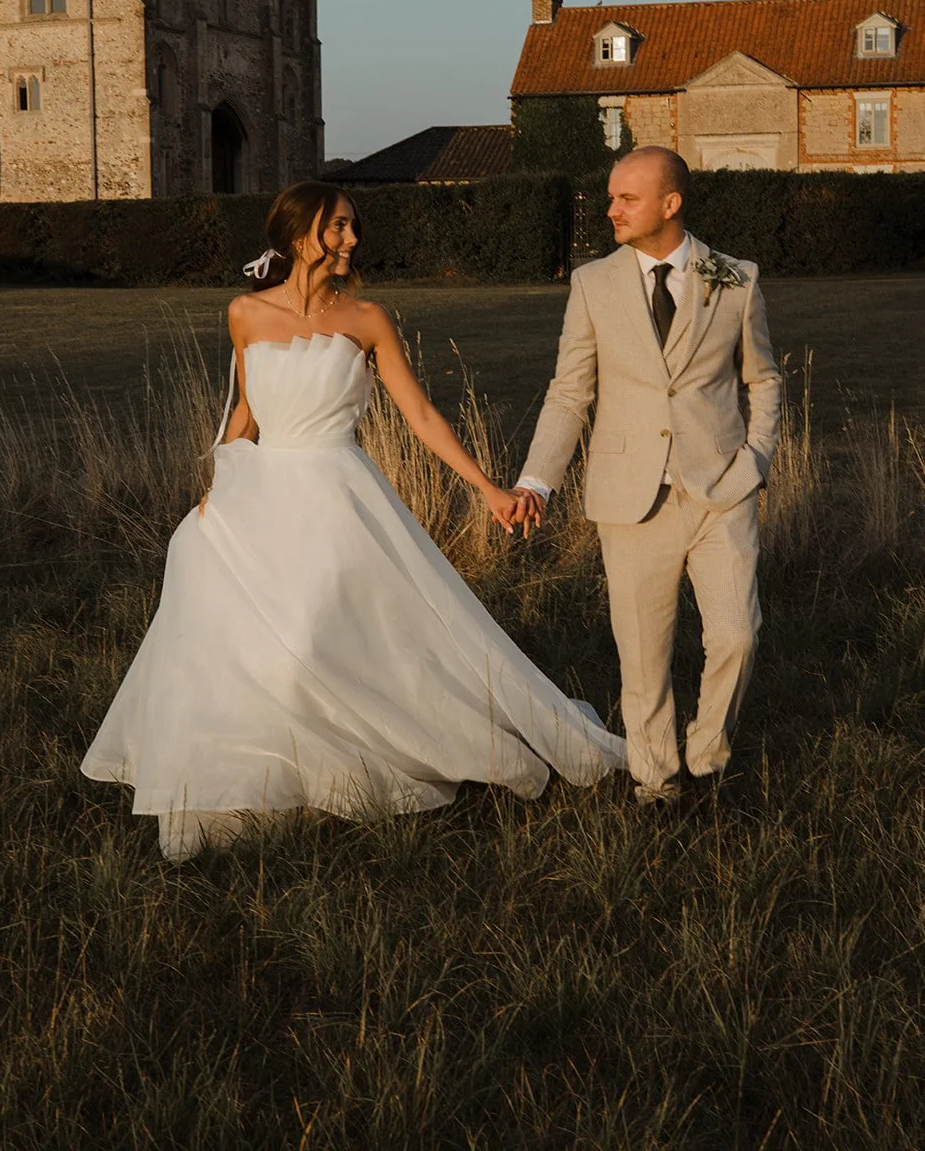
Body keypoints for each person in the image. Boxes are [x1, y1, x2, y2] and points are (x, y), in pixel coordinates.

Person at [81, 181, 626, 860]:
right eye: (338, 227)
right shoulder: (244, 314)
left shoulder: (367, 319)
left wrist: (485, 487)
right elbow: (244, 417)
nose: (351, 240)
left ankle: (384, 744)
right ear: (296, 234)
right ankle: (258, 765)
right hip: (260, 493)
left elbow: (419, 415)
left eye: (352, 228)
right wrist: (212, 490)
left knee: (315, 634)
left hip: (339, 493)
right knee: (207, 581)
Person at [513, 147, 780, 811]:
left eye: (625, 199)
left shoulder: (731, 276)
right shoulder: (593, 282)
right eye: (609, 197)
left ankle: (707, 754)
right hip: (629, 498)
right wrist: (537, 481)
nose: (610, 210)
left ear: (670, 204)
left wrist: (754, 462)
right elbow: (568, 394)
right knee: (643, 655)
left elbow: (764, 379)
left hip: (722, 490)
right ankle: (656, 785)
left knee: (737, 635)